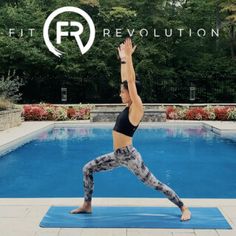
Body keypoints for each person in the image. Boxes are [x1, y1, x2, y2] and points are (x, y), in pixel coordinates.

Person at [70, 38, 191, 221]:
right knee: (87, 169)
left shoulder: (137, 106)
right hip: (117, 155)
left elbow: (131, 81)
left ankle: (184, 207)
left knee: (155, 184)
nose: (120, 93)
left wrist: (128, 58)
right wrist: (122, 60)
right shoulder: (129, 106)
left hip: (130, 157)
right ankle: (87, 204)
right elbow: (125, 80)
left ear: (131, 93)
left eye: (122, 91)